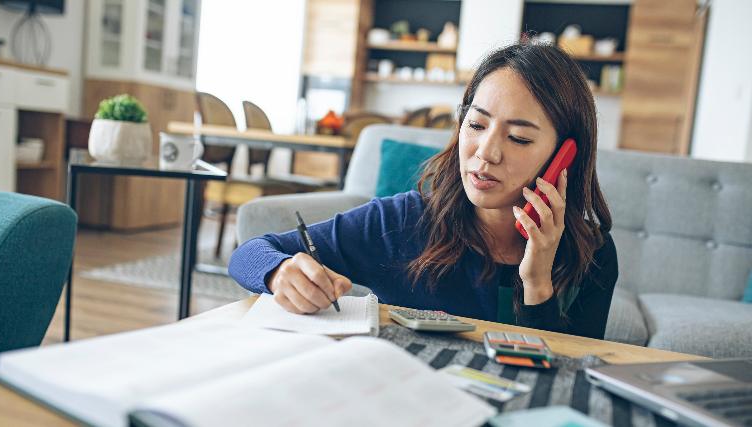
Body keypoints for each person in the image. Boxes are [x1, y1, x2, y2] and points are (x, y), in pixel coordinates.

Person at [229, 43, 618, 339]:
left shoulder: (594, 253)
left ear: (563, 155)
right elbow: (249, 253)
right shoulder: (403, 221)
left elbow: (564, 381)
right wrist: (280, 273)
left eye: (518, 137)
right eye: (477, 125)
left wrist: (537, 284)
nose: (486, 153)